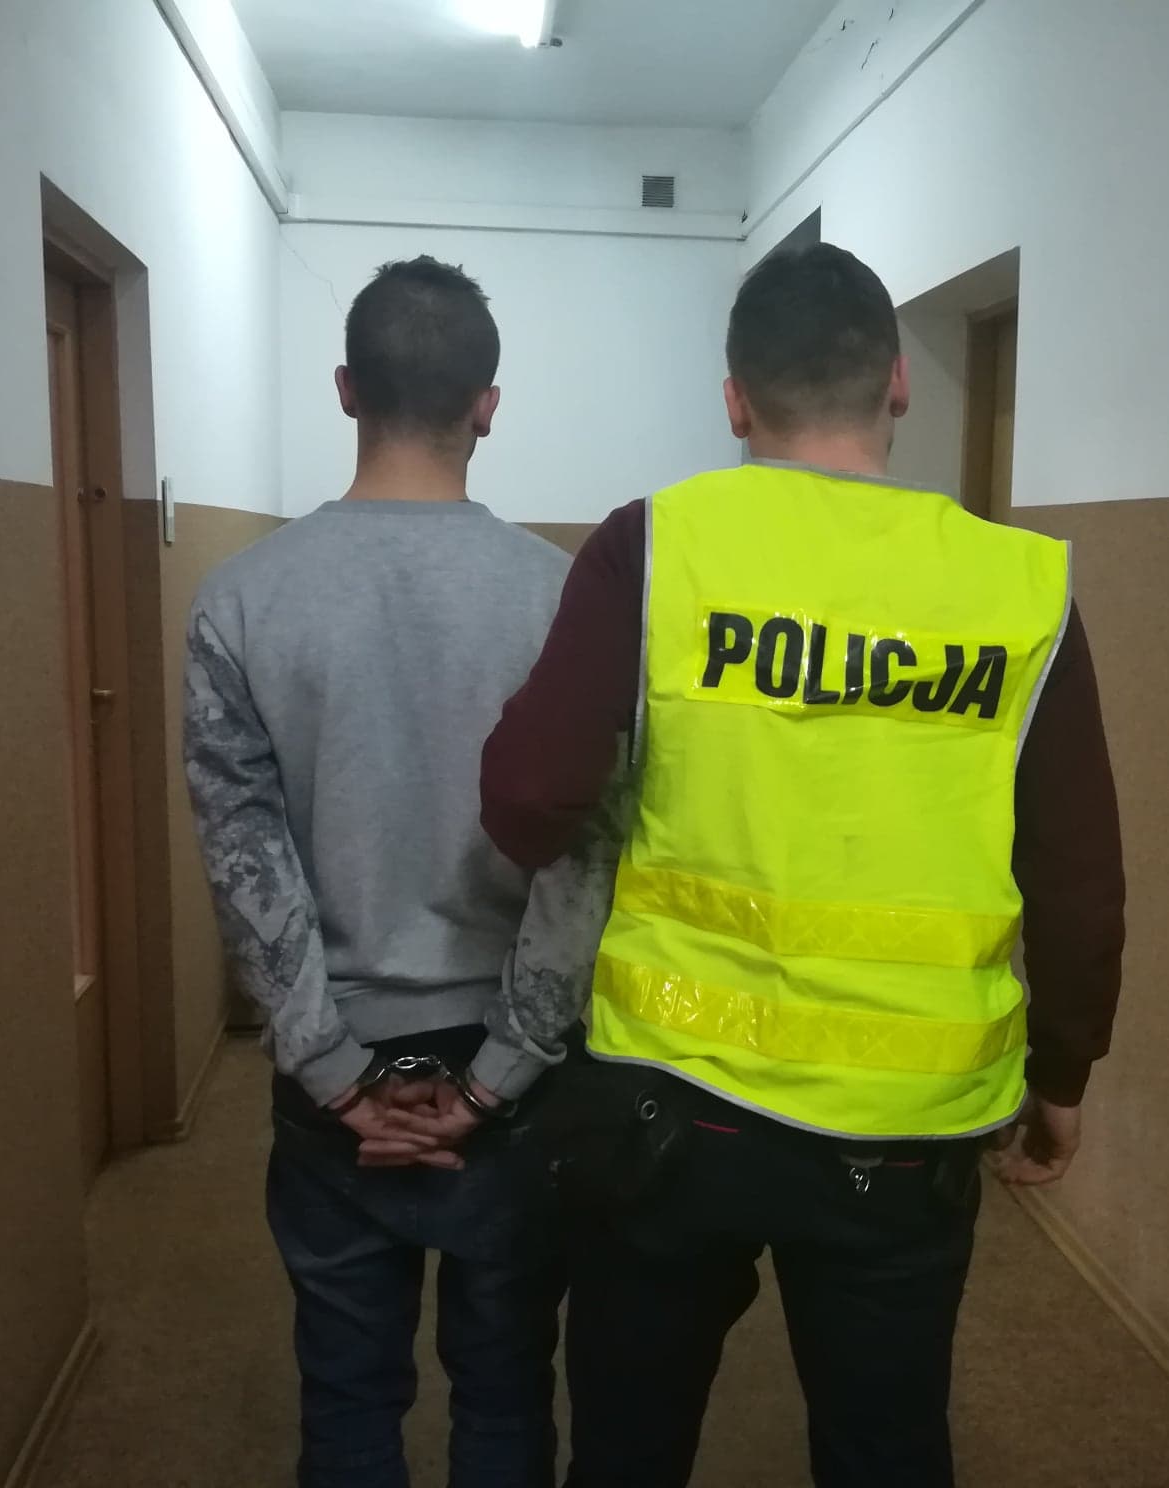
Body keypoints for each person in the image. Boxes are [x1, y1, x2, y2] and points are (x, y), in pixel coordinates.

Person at [476, 243, 1128, 1487]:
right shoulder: (1017, 587)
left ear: (735, 400)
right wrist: (1062, 1070)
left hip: (670, 1106)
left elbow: (527, 796)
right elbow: (1077, 875)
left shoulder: (655, 547)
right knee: (886, 1449)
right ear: (898, 383)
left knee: (627, 1448)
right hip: (909, 1125)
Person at [184, 256, 573, 1488]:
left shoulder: (241, 599)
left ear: (346, 388)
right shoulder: (563, 601)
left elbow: (243, 855)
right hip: (513, 1064)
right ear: (488, 406)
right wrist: (498, 1078)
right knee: (506, 1388)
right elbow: (587, 864)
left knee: (347, 1393)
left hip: (330, 1058)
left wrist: (337, 1077)